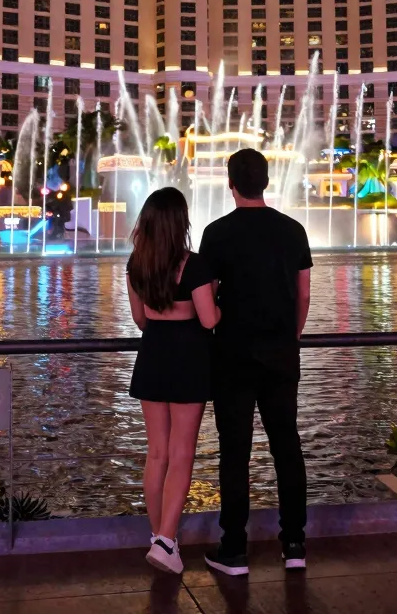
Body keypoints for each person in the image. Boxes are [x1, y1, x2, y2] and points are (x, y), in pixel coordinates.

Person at [199, 148, 312, 575]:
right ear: (267, 182)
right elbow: (303, 294)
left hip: (231, 353)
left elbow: (207, 295)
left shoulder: (217, 233)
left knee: (235, 451)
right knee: (287, 444)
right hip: (281, 352)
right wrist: (292, 335)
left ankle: (234, 548)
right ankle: (295, 543)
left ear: (231, 183)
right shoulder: (293, 230)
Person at [127, 186, 221, 574]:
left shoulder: (137, 263)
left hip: (153, 356)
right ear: (179, 222)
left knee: (157, 453)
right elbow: (209, 320)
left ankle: (160, 538)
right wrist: (218, 297)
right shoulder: (194, 265)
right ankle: (167, 540)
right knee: (182, 453)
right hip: (188, 359)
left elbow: (141, 319)